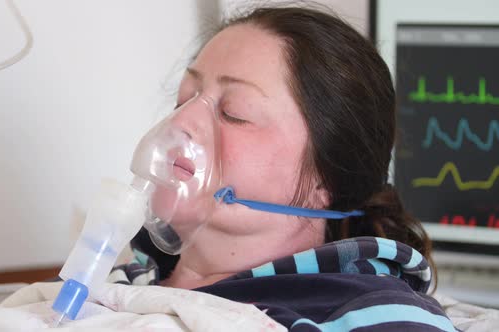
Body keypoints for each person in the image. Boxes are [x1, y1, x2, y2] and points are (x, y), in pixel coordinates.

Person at [111, 4, 456, 332]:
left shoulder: (374, 317)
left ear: (327, 178)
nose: (181, 122)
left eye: (234, 113)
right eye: (184, 99)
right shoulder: (112, 284)